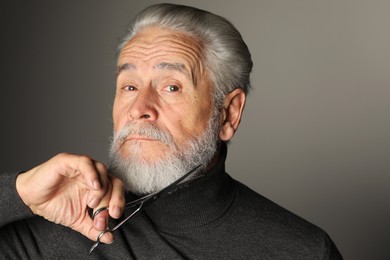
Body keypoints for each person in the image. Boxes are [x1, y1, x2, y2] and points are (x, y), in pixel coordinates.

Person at [0, 3, 342, 259]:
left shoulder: (303, 250)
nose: (139, 109)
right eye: (129, 86)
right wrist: (19, 193)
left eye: (171, 87)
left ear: (228, 114)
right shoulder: (56, 228)